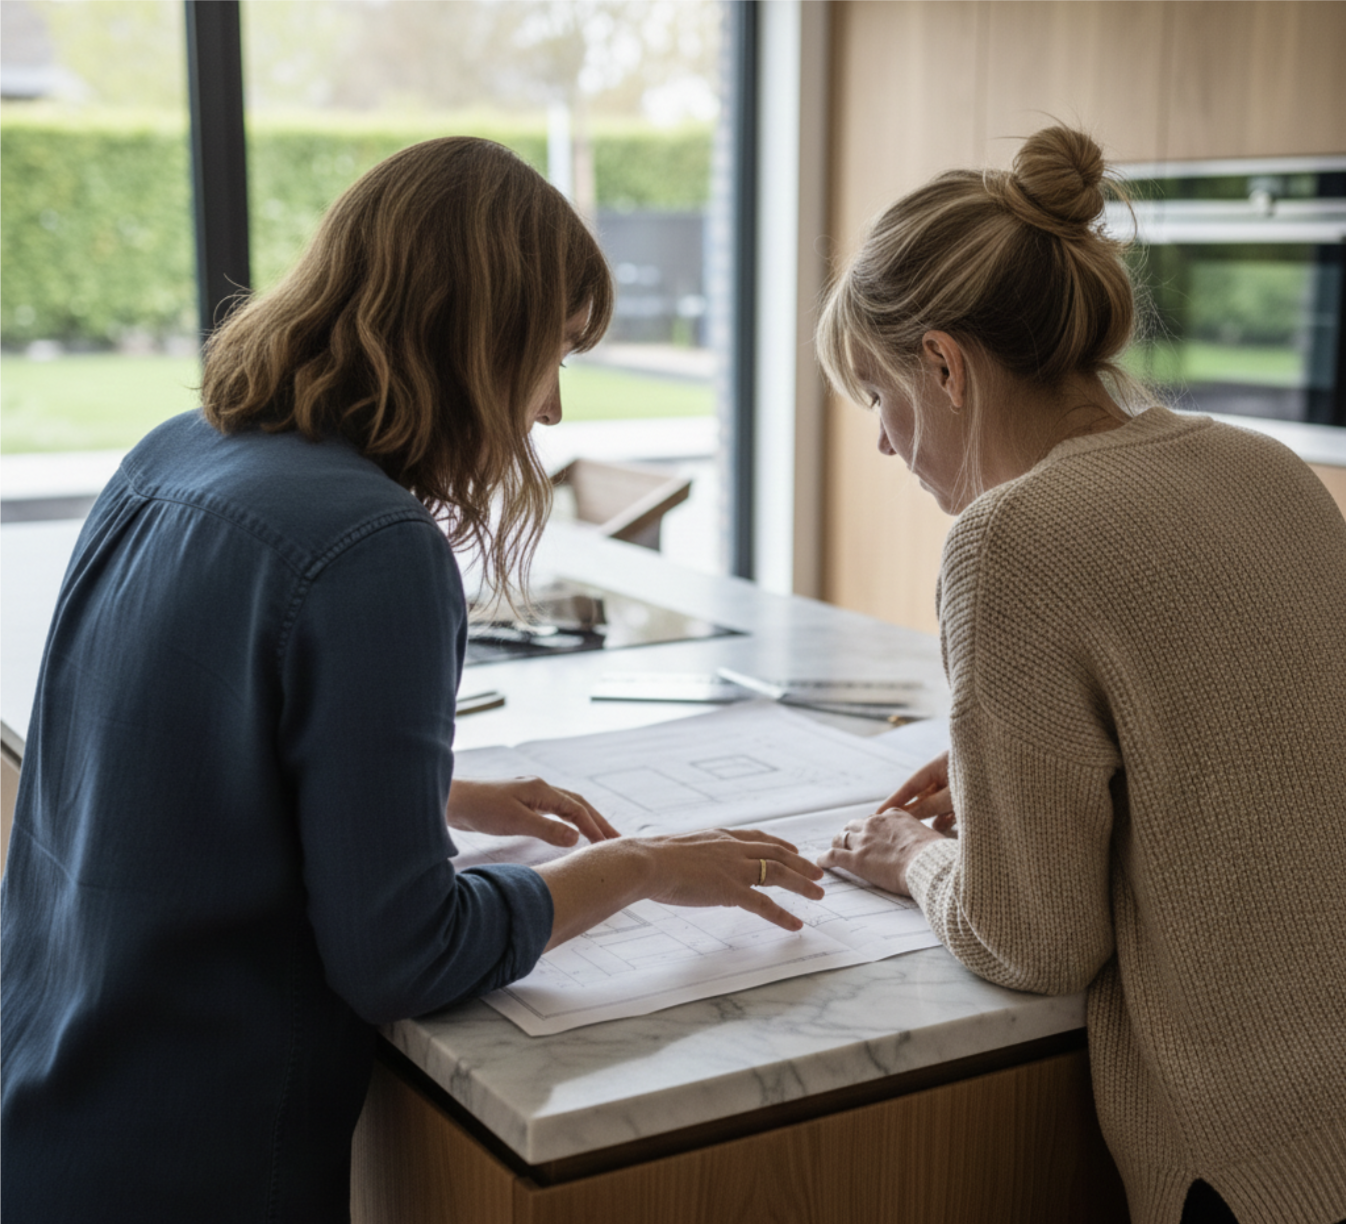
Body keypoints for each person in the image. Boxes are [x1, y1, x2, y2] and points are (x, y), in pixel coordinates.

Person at [0, 137, 824, 1221]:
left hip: (51, 1108)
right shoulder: (373, 546)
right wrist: (636, 867)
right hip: (201, 1161)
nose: (551, 413)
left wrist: (429, 797)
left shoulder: (175, 449)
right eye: (552, 356)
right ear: (473, 341)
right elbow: (405, 955)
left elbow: (167, 751)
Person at [814, 126, 1346, 1224]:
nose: (882, 444)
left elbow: (1034, 943)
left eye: (875, 396)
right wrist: (1011, 786)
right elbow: (1248, 758)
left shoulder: (1008, 540)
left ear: (944, 365)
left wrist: (907, 853)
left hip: (1244, 1164)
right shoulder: (1265, 466)